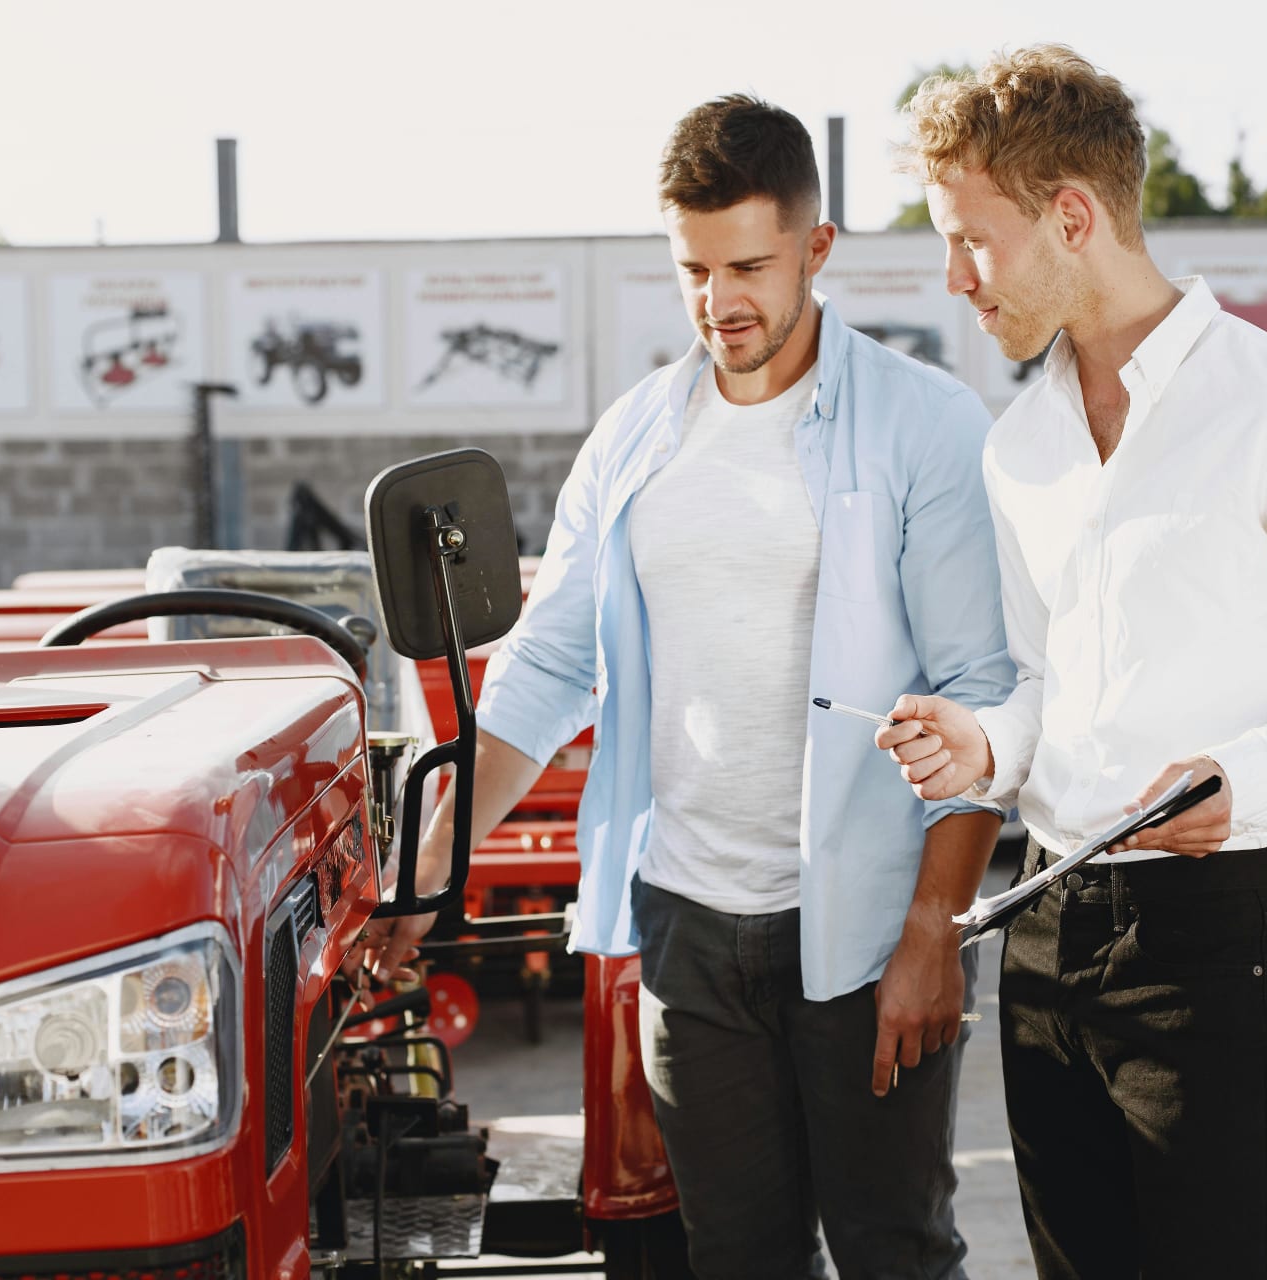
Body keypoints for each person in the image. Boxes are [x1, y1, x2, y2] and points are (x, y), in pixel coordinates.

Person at [363, 95, 1014, 1280]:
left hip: (869, 928)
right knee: (735, 1257)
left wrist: (935, 932)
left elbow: (980, 692)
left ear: (819, 250)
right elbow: (552, 666)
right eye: (694, 270)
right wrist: (430, 866)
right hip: (688, 929)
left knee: (896, 1251)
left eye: (751, 264)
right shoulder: (634, 440)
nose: (723, 302)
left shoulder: (926, 425)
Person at [876, 46, 1267, 1280]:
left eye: (971, 239)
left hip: (1215, 939)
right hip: (1041, 930)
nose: (953, 279)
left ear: (1070, 216)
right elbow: (1041, 683)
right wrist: (986, 743)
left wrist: (1244, 779)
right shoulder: (1019, 442)